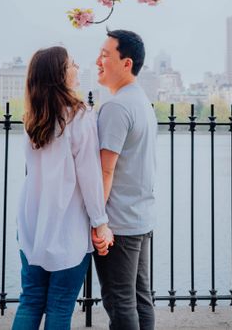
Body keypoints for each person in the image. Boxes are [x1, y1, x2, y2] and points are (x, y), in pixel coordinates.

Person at [12, 46, 113, 330]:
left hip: (31, 220)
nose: (78, 68)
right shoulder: (79, 116)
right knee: (59, 305)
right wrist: (100, 222)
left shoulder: (33, 117)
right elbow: (90, 176)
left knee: (30, 300)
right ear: (60, 74)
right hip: (67, 222)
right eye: (72, 63)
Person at [93, 29, 157, 330]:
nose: (98, 60)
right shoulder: (142, 101)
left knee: (120, 302)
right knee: (139, 298)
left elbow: (106, 170)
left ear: (126, 63)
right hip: (140, 218)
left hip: (118, 224)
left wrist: (98, 220)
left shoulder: (117, 107)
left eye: (106, 55)